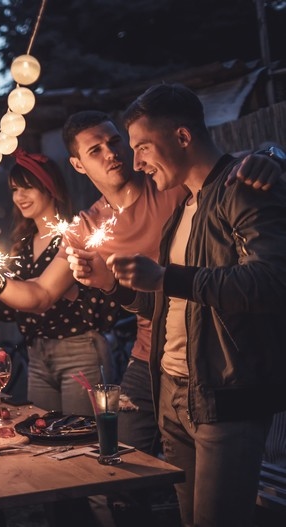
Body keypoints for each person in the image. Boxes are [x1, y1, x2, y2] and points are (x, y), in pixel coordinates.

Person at [0, 111, 283, 457]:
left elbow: (231, 163)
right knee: (116, 457)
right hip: (148, 357)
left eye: (114, 142)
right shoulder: (85, 228)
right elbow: (40, 295)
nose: (111, 154)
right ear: (78, 165)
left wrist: (271, 155)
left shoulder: (171, 185)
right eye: (95, 150)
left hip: (211, 356)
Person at [102, 83, 286, 527]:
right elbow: (176, 305)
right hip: (174, 393)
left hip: (225, 395)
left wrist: (167, 277)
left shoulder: (243, 187)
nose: (137, 162)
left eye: (143, 147)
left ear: (182, 137)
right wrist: (115, 287)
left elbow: (273, 281)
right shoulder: (183, 209)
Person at [0, 149, 118, 415]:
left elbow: (38, 298)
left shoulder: (72, 237)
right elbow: (9, 308)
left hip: (78, 351)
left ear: (50, 188)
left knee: (82, 438)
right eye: (14, 189)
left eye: (28, 188)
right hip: (36, 355)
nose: (19, 197)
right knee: (43, 441)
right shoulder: (22, 245)